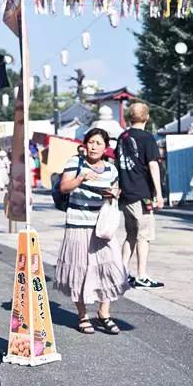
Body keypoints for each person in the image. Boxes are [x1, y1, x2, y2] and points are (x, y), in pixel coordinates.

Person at [55, 128, 129, 335]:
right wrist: (80, 178)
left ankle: (104, 313)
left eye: (98, 143)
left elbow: (116, 190)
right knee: (80, 269)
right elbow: (64, 187)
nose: (94, 146)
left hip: (102, 226)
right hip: (78, 224)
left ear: (105, 148)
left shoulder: (111, 169)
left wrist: (113, 194)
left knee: (111, 267)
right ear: (85, 144)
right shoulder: (75, 162)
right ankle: (82, 316)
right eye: (91, 142)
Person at [116, 102, 165, 289]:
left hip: (126, 193)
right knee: (144, 236)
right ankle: (141, 275)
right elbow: (153, 164)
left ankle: (121, 272)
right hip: (142, 193)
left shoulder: (123, 137)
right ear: (147, 117)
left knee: (131, 235)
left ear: (129, 117)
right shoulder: (147, 138)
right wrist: (159, 193)